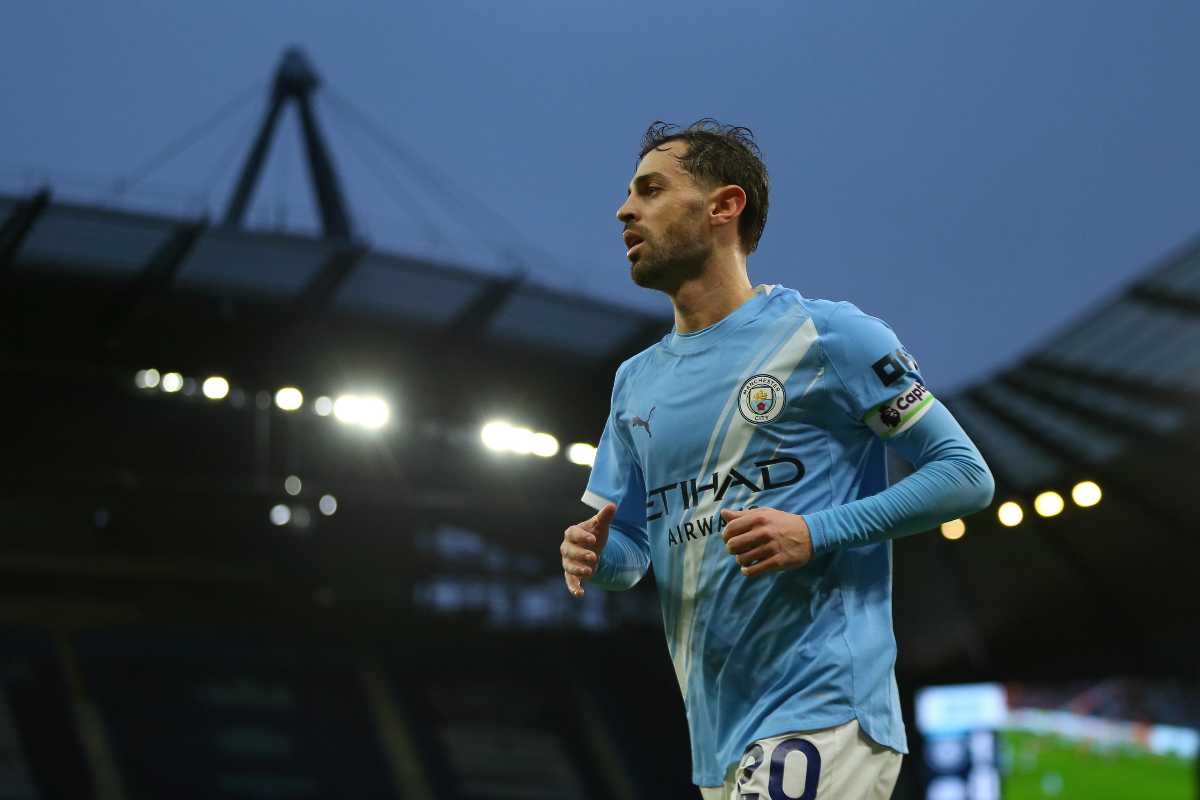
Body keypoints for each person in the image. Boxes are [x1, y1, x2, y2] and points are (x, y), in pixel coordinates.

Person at [559, 119, 994, 799]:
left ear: (724, 206)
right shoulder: (635, 383)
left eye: (650, 189)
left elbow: (964, 475)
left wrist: (815, 531)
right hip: (717, 734)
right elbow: (630, 554)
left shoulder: (827, 336)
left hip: (823, 706)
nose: (624, 210)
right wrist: (593, 553)